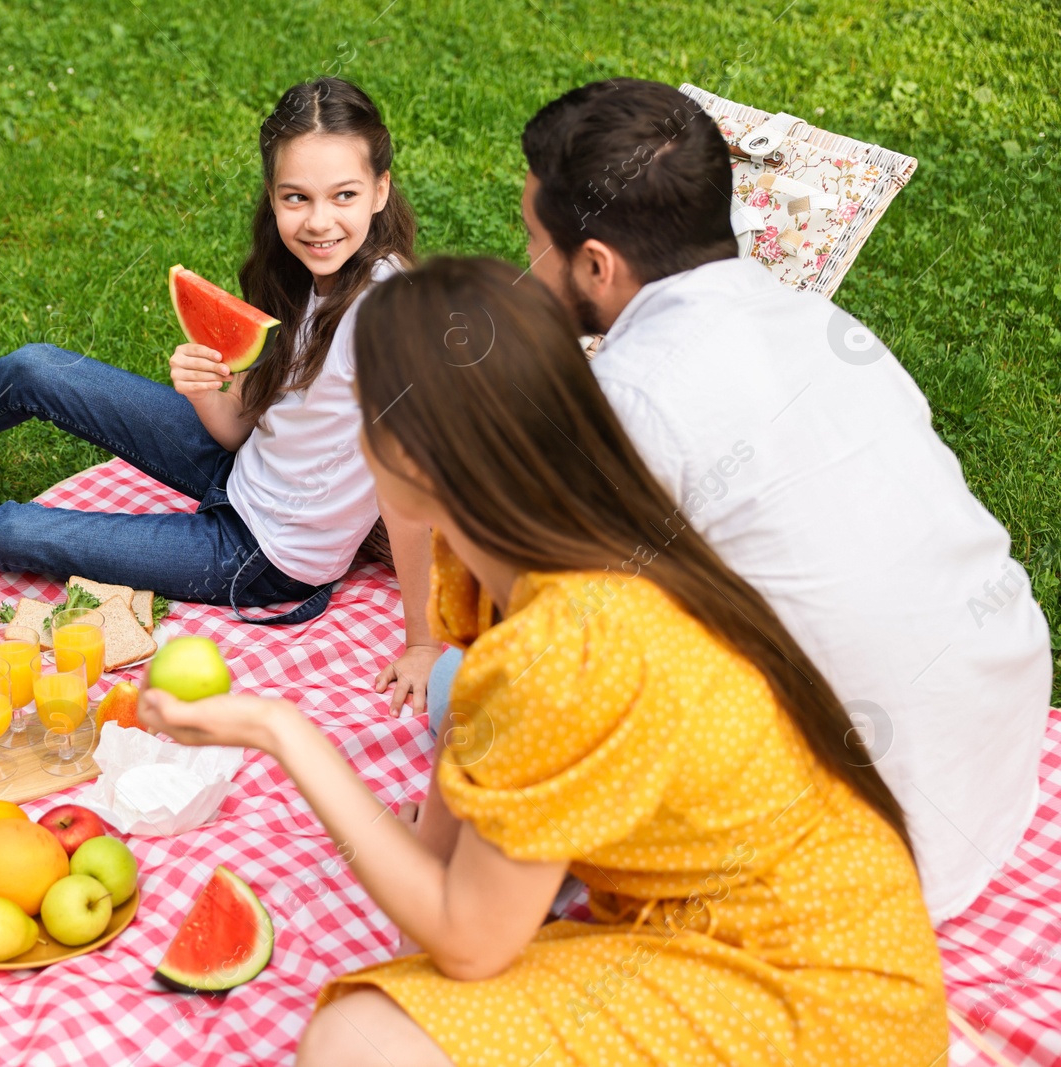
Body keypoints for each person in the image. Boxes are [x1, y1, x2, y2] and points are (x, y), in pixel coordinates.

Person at [141, 257, 949, 1067]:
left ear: (415, 465)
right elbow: (439, 867)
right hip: (715, 934)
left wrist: (280, 729)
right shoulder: (499, 580)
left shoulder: (562, 647)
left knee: (358, 1043)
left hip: (826, 1006)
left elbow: (467, 944)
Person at [423, 79, 1050, 923]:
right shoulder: (825, 328)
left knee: (460, 687)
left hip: (849, 849)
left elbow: (551, 659)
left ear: (597, 264)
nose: (527, 261)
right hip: (990, 753)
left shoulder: (628, 399)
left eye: (535, 241)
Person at [0, 77, 442, 709]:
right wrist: (204, 395)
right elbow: (237, 429)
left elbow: (408, 490)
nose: (318, 222)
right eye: (295, 197)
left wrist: (422, 642)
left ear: (381, 191)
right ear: (272, 196)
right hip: (240, 468)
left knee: (17, 530)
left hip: (260, 555)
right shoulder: (304, 274)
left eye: (344, 195)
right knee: (35, 368)